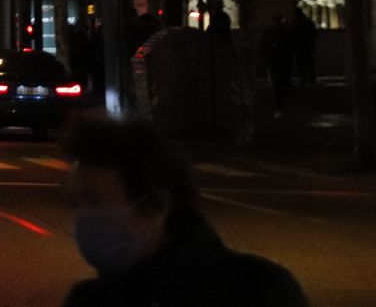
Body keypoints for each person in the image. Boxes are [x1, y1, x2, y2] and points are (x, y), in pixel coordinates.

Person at [61, 115, 306, 306]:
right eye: (75, 204)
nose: (83, 219)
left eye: (95, 202)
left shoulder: (261, 291)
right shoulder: (90, 299)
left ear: (157, 206)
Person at [262, 13, 294, 117]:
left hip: (276, 63)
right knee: (281, 84)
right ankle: (281, 105)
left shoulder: (272, 34)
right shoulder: (284, 34)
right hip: (280, 63)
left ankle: (279, 105)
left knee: (277, 85)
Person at [291, 7, 317, 87]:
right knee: (309, 62)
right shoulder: (308, 22)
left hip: (299, 46)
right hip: (307, 45)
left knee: (301, 64)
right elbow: (314, 34)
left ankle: (304, 79)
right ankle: (311, 78)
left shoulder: (295, 23)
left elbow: (292, 35)